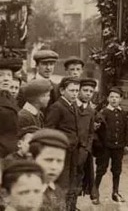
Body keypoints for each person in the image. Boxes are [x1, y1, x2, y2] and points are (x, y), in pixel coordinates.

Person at [44, 77, 80, 211]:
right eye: (72, 90)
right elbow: (49, 130)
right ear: (62, 91)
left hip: (72, 152)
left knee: (70, 183)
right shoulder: (57, 107)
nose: (75, 93)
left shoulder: (73, 105)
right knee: (61, 185)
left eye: (77, 90)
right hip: (62, 152)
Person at [91, 87, 128, 205]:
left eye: (117, 97)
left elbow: (126, 130)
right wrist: (98, 145)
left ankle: (115, 192)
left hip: (118, 147)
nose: (114, 99)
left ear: (121, 99)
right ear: (108, 98)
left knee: (117, 170)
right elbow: (96, 131)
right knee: (101, 169)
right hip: (105, 147)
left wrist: (126, 144)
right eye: (112, 97)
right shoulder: (103, 112)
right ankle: (95, 193)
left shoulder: (123, 113)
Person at [29, 128, 70, 211]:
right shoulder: (18, 193)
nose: (54, 167)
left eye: (59, 161)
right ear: (32, 159)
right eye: (48, 160)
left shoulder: (57, 192)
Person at [74, 79, 96, 207]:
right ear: (79, 91)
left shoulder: (91, 110)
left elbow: (91, 132)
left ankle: (74, 205)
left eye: (91, 91)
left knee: (80, 178)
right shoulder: (73, 107)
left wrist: (87, 148)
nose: (88, 94)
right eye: (85, 90)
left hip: (84, 151)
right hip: (72, 149)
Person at [0, 55, 22, 158]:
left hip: (11, 154)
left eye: (9, 75)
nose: (6, 79)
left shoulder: (10, 98)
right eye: (1, 75)